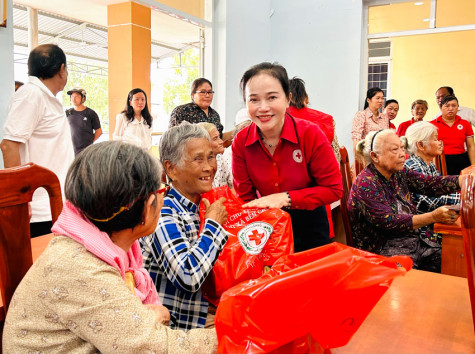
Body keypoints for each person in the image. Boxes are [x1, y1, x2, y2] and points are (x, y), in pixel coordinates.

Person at [2, 141, 218, 353]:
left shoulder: (104, 246)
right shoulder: (84, 271)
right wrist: (238, 334)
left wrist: (145, 317)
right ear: (146, 208)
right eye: (162, 190)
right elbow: (154, 347)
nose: (164, 197)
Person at [232, 62, 343, 252]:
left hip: (311, 224)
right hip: (268, 226)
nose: (263, 108)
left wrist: (286, 198)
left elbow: (333, 189)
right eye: (254, 100)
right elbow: (246, 198)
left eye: (272, 97)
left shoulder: (310, 134)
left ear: (288, 98)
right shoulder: (241, 142)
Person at [140, 123, 228, 331]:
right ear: (171, 168)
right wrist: (213, 225)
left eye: (211, 157)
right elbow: (188, 276)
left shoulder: (204, 205)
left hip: (208, 314)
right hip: (179, 328)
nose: (209, 167)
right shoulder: (164, 212)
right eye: (198, 159)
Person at [348, 129, 463, 272]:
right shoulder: (366, 183)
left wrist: (461, 180)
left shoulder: (399, 173)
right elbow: (390, 221)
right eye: (395, 149)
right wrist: (433, 216)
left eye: (402, 148)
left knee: (456, 257)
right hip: (384, 250)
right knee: (407, 282)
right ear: (375, 156)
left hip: (414, 240)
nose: (403, 154)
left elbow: (428, 183)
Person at [0, 44, 74, 238]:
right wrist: (19, 202)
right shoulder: (31, 95)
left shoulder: (44, 97)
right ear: (61, 69)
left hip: (54, 204)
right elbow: (9, 145)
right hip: (39, 210)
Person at [404, 121, 460, 214]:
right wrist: (464, 199)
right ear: (421, 145)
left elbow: (442, 189)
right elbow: (431, 201)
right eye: (435, 139)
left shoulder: (429, 164)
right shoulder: (413, 165)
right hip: (422, 222)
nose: (439, 143)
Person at [287, 76, 341, 161]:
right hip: (320, 170)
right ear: (306, 98)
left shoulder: (277, 119)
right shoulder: (325, 119)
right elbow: (335, 156)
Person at [430, 95, 475, 175]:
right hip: (440, 160)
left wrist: (473, 166)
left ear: (458, 108)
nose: (450, 108)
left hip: (462, 160)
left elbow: (471, 146)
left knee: (463, 185)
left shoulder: (465, 123)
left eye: (454, 106)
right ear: (441, 108)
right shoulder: (432, 125)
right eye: (447, 106)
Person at [66, 87, 102, 155]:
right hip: (71, 151)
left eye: (77, 97)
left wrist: (89, 143)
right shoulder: (68, 113)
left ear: (83, 98)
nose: (73, 99)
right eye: (72, 96)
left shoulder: (90, 113)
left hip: (86, 151)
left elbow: (99, 131)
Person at [351, 87, 389, 153]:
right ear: (368, 100)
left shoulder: (384, 117)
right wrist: (357, 160)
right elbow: (356, 139)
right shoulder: (361, 115)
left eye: (382, 98)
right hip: (366, 154)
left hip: (382, 154)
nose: (381, 101)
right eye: (378, 98)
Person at [197, 122, 229, 188]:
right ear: (203, 142)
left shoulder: (220, 158)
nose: (221, 142)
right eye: (215, 138)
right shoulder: (197, 164)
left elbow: (234, 187)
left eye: (219, 137)